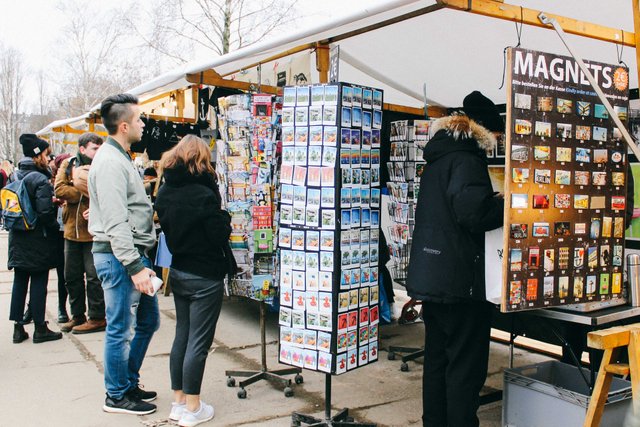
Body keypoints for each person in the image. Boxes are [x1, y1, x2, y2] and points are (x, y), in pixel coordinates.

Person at [406, 91, 504, 427]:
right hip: (461, 282)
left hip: (434, 278)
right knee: (465, 367)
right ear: (486, 131)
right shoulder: (467, 160)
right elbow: (473, 213)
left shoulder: (439, 158)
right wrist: (507, 203)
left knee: (437, 361)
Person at [88, 94, 159, 415]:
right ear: (124, 124)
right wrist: (134, 266)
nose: (144, 124)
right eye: (140, 119)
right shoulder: (110, 162)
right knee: (120, 327)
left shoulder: (119, 157)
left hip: (131, 255)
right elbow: (116, 221)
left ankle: (127, 381)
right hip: (120, 259)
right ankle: (116, 394)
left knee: (148, 321)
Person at [155, 135, 232, 426]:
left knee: (182, 336)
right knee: (198, 342)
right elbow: (217, 234)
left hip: (178, 271)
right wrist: (224, 217)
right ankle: (193, 407)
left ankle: (178, 401)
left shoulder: (164, 191)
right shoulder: (202, 194)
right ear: (199, 160)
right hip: (204, 274)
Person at [8, 134, 63, 344]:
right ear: (38, 156)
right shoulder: (40, 178)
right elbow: (44, 214)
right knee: (39, 280)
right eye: (48, 155)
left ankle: (18, 327)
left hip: (18, 236)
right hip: (37, 238)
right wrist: (54, 222)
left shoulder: (16, 175)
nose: (50, 159)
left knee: (20, 281)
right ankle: (40, 327)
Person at [55, 133, 106, 334]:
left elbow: (107, 192)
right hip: (70, 230)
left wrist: (80, 190)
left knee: (94, 277)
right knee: (71, 276)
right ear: (83, 149)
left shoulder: (102, 165)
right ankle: (77, 315)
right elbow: (59, 188)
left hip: (92, 231)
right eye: (94, 148)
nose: (97, 152)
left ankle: (97, 317)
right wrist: (81, 189)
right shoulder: (68, 164)